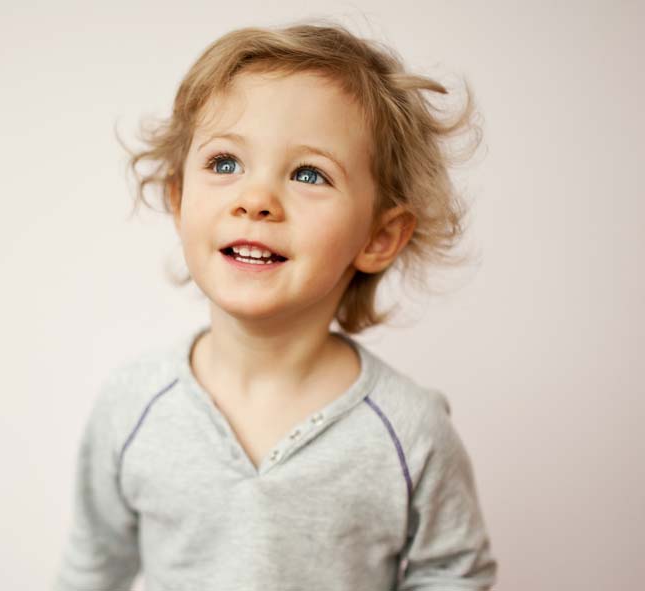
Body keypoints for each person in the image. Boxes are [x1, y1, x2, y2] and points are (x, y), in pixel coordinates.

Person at [53, 17, 497, 591]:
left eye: (309, 173)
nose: (256, 199)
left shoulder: (409, 431)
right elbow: (91, 568)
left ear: (378, 237)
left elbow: (454, 574)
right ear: (180, 197)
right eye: (225, 164)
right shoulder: (133, 406)